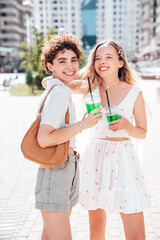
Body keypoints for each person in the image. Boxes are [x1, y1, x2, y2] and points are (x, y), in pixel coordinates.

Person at [79, 40, 151, 240]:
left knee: (135, 233)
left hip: (123, 158)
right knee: (96, 230)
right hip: (95, 157)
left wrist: (128, 126)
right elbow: (63, 80)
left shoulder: (134, 93)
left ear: (120, 62)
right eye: (98, 58)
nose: (102, 62)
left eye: (109, 57)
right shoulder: (90, 92)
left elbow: (142, 133)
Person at [35, 33, 102, 240]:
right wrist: (83, 125)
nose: (70, 66)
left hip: (65, 167)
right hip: (57, 169)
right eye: (61, 61)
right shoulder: (60, 93)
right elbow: (44, 139)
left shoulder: (58, 88)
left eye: (73, 60)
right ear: (50, 65)